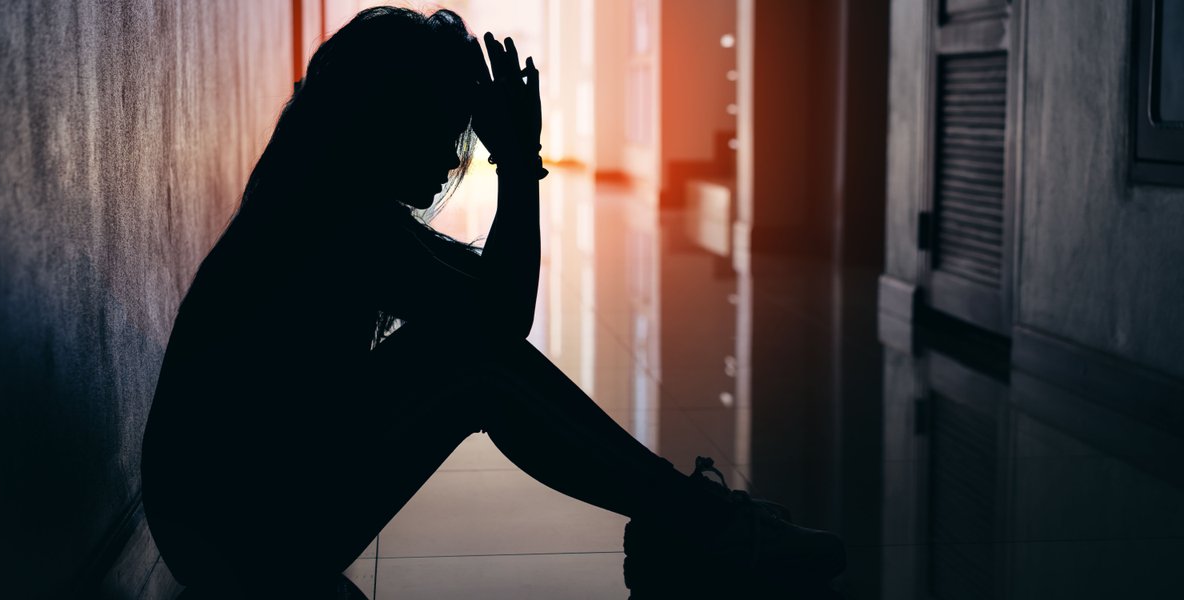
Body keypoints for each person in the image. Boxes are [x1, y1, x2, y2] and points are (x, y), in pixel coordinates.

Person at [141, 7, 843, 598]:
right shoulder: (334, 220)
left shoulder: (328, 202)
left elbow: (491, 303)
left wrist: (518, 158)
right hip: (237, 542)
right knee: (477, 368)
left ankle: (692, 524)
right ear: (388, 121)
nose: (453, 159)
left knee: (470, 352)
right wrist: (518, 162)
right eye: (444, 130)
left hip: (226, 525)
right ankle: (703, 526)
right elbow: (502, 320)